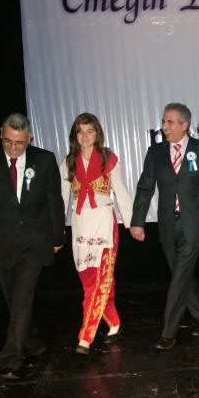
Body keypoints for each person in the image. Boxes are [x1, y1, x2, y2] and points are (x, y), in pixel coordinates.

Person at [0, 113, 65, 379]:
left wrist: (57, 237)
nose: (13, 148)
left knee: (22, 297)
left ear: (29, 138)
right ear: (1, 133)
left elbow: (54, 201)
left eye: (20, 143)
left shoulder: (44, 160)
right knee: (15, 300)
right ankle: (34, 343)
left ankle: (11, 359)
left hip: (34, 242)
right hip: (1, 243)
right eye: (8, 141)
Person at [130, 103, 199, 350]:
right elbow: (145, 187)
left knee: (180, 276)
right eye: (163, 121)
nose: (164, 126)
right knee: (182, 275)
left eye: (170, 122)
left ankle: (168, 331)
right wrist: (137, 221)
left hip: (194, 224)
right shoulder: (155, 152)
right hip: (168, 225)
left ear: (184, 124)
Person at [60, 113, 133, 354]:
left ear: (97, 134)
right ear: (75, 135)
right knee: (91, 280)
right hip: (81, 226)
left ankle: (86, 336)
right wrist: (57, 230)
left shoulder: (108, 159)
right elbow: (63, 198)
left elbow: (121, 192)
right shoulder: (69, 162)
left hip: (104, 226)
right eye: (80, 131)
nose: (85, 136)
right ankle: (114, 321)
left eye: (89, 131)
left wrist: (133, 223)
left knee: (98, 281)